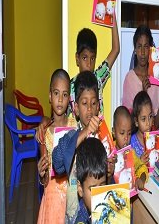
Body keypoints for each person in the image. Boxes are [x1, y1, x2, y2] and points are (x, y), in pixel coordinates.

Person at [52, 71, 115, 223]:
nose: (90, 109)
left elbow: (111, 184)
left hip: (101, 212)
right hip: (75, 216)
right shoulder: (71, 136)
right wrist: (85, 132)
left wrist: (110, 173)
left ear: (98, 106)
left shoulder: (105, 139)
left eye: (93, 103)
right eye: (84, 104)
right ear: (76, 109)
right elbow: (58, 163)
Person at [69, 0, 120, 116]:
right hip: (79, 135)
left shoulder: (98, 78)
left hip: (99, 135)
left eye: (92, 58)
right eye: (84, 58)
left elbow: (116, 49)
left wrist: (111, 11)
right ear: (77, 59)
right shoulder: (70, 86)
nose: (89, 63)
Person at [37, 69, 77, 224]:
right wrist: (41, 174)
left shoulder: (74, 125)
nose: (60, 99)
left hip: (72, 192)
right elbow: (46, 181)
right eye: (56, 93)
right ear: (49, 96)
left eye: (65, 94)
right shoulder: (44, 133)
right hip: (53, 199)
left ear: (69, 99)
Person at [122, 24, 159, 128]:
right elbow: (128, 122)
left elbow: (155, 125)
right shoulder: (129, 79)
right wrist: (143, 94)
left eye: (146, 46)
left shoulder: (156, 78)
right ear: (134, 50)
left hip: (154, 138)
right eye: (139, 47)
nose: (143, 52)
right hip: (136, 141)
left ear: (151, 49)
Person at [112, 105, 148, 191]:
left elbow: (142, 168)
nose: (126, 138)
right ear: (113, 132)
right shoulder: (109, 154)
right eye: (122, 133)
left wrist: (141, 180)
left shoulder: (131, 153)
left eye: (129, 133)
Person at [75, 137, 107, 223]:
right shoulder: (80, 220)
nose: (99, 195)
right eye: (93, 189)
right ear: (80, 189)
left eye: (102, 186)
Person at [130, 91, 154, 164]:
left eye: (150, 116)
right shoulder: (131, 143)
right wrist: (139, 162)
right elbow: (129, 169)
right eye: (143, 119)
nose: (148, 123)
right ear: (136, 122)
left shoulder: (155, 139)